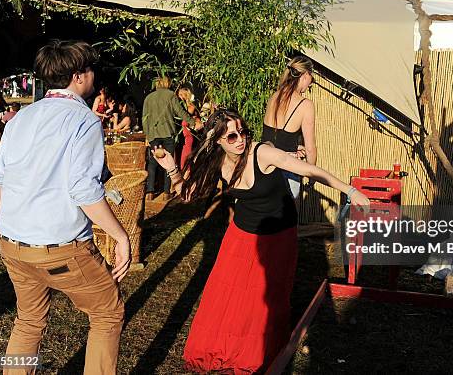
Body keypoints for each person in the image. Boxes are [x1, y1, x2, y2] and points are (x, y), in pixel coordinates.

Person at [152, 108, 369, 374]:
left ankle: (255, 347)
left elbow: (309, 170)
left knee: (266, 296)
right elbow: (188, 195)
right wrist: (171, 168)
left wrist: (349, 190)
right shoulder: (217, 162)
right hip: (242, 234)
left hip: (278, 235)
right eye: (231, 136)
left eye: (242, 131)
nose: (240, 139)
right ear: (218, 140)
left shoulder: (261, 153)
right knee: (229, 292)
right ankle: (228, 342)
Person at [0, 40, 131, 375]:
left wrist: (11, 220)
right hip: (62, 248)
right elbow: (83, 188)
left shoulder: (22, 118)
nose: (94, 75)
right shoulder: (85, 121)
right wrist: (120, 237)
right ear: (79, 76)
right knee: (107, 314)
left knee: (29, 321)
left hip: (12, 242)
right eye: (91, 69)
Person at [262, 56, 317, 200]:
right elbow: (310, 148)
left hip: (263, 165)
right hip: (286, 169)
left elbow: (274, 137)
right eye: (311, 78)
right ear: (305, 75)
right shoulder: (305, 105)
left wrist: (294, 146)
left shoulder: (274, 96)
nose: (310, 83)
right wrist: (312, 175)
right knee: (286, 220)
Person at [142, 76, 200, 201]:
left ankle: (150, 192)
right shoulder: (170, 95)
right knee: (169, 162)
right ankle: (166, 192)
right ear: (167, 83)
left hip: (153, 134)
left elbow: (144, 118)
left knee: (152, 163)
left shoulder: (148, 98)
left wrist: (148, 135)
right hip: (168, 133)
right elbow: (180, 112)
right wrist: (192, 123)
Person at [176, 85, 202, 170]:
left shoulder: (190, 107)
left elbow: (186, 116)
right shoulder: (184, 108)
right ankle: (185, 169)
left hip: (189, 135)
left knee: (187, 152)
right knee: (184, 152)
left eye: (180, 95)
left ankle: (187, 170)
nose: (178, 97)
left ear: (185, 96)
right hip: (184, 135)